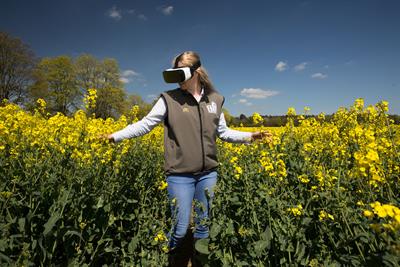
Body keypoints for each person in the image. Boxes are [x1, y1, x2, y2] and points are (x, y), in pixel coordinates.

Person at [104, 51, 272, 266]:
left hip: (208, 174)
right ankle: (174, 261)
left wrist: (251, 136)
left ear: (196, 72)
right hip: (179, 175)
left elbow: (224, 132)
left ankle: (200, 261)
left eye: (180, 72)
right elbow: (144, 125)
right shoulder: (169, 99)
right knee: (181, 227)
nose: (177, 78)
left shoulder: (215, 100)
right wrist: (113, 137)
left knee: (203, 225)